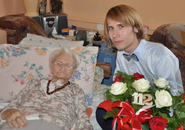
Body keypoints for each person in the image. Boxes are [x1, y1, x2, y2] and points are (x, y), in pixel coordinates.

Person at [96, 4, 184, 130]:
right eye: (111, 28)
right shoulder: (121, 53)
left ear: (136, 28)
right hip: (137, 104)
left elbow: (173, 96)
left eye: (121, 26)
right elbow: (119, 84)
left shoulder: (159, 55)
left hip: (161, 110)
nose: (114, 34)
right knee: (103, 112)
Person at [0, 47, 93, 130]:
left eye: (68, 65)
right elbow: (12, 105)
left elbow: (83, 120)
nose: (62, 68)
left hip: (52, 124)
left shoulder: (76, 90)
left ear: (73, 72)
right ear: (51, 66)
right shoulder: (35, 82)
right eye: (58, 63)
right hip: (18, 122)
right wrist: (7, 113)